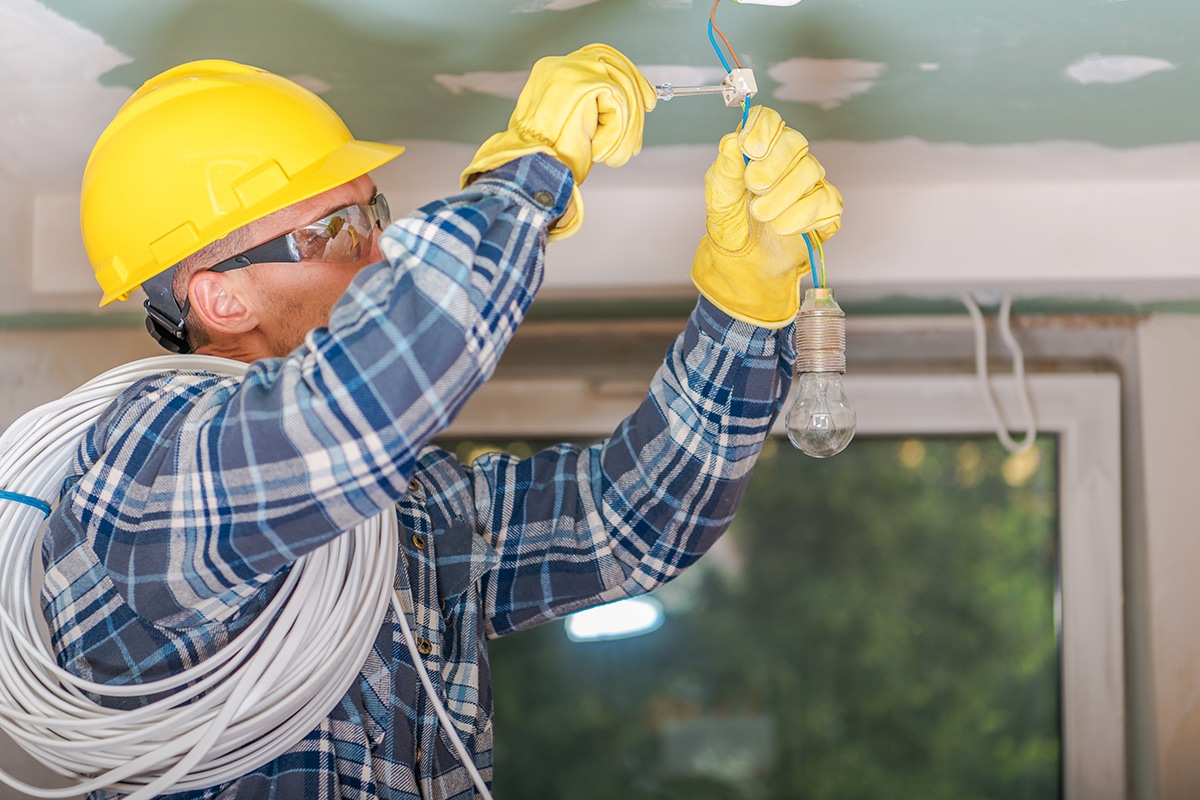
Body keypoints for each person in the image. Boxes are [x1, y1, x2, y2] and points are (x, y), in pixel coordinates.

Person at [44, 44, 841, 799]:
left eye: (374, 213)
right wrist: (528, 175)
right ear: (221, 298)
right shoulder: (139, 467)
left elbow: (629, 523)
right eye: (337, 230)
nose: (379, 246)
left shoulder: (410, 510)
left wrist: (743, 303)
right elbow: (382, 383)